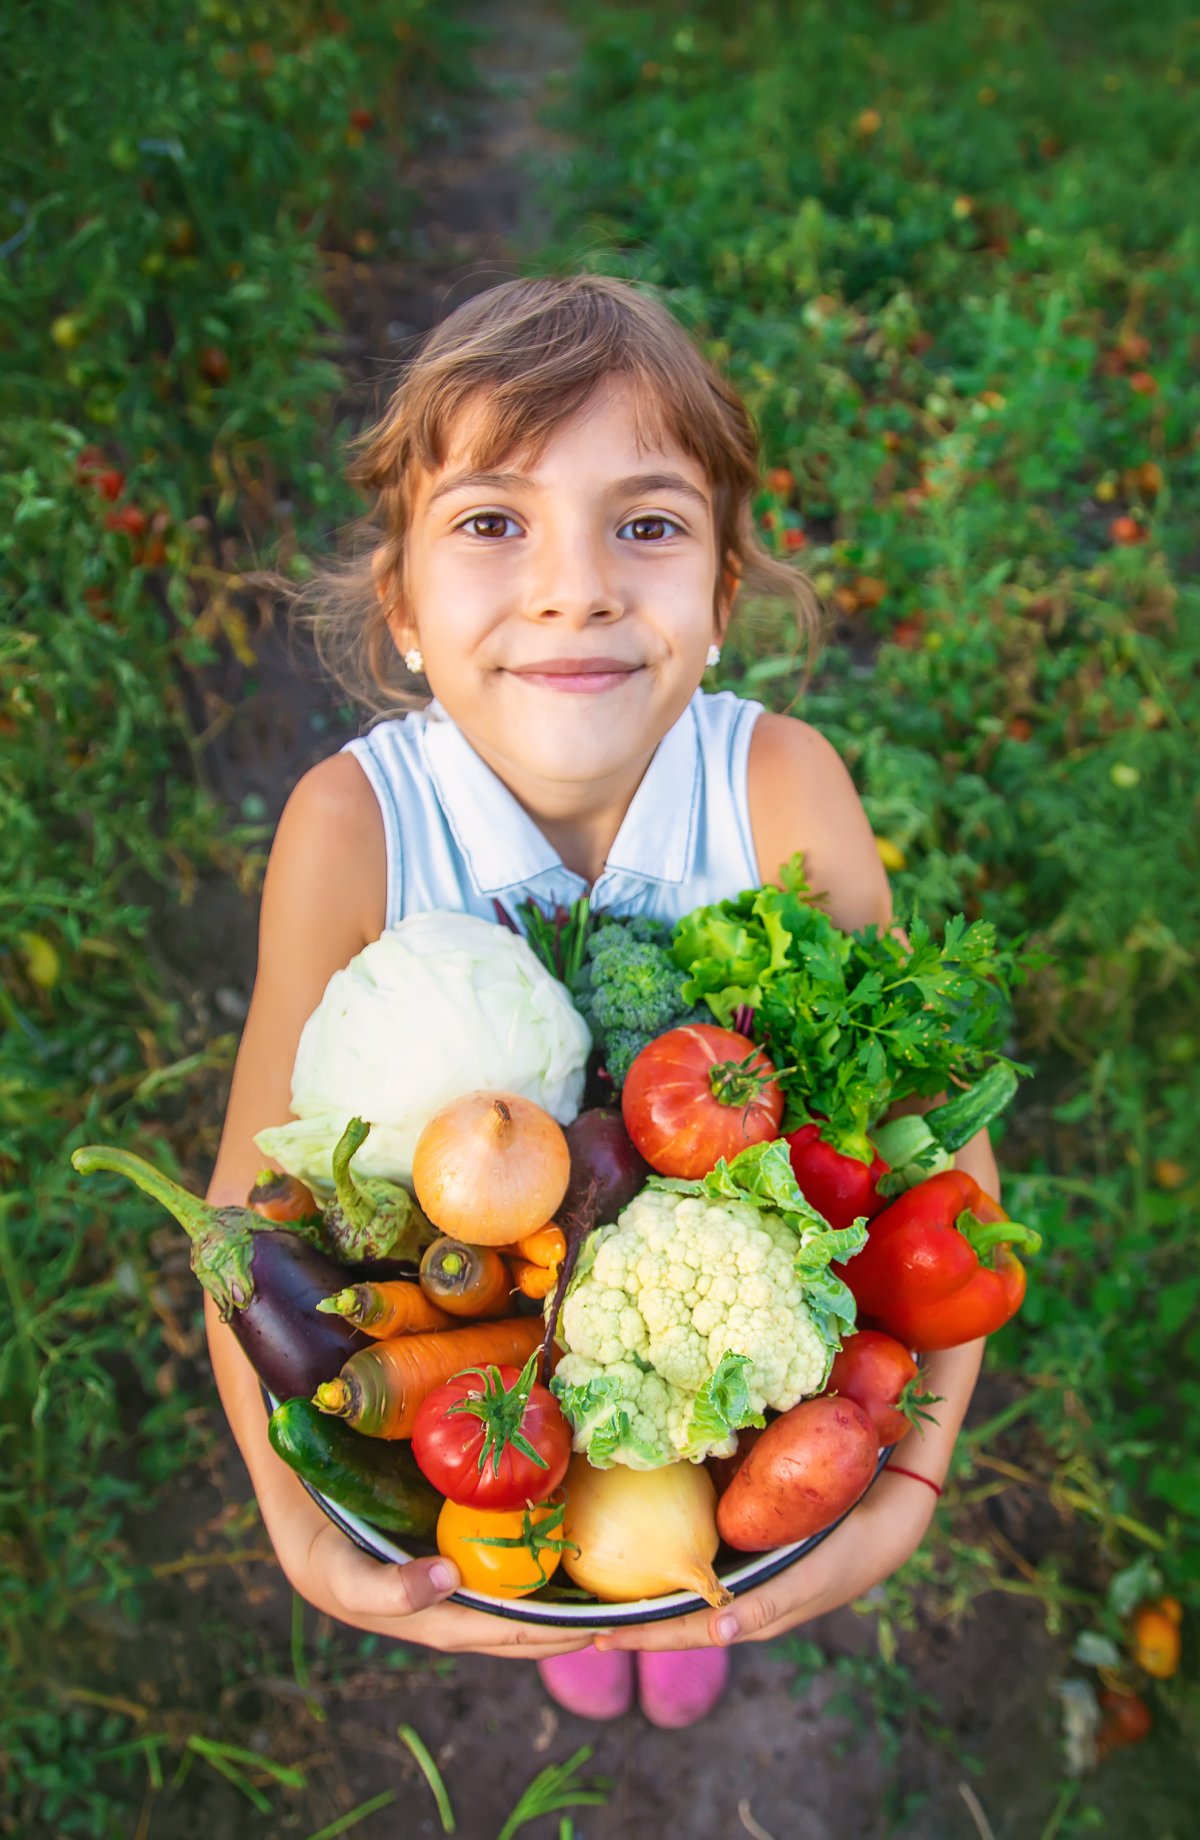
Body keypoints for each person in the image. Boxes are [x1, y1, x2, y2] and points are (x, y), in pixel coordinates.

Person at [203, 273, 1000, 1728]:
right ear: (399, 603)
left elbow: (940, 1164)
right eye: (493, 523)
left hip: (729, 1409)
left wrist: (913, 1487)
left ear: (723, 593)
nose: (576, 586)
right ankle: (590, 1600)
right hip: (484, 1391)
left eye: (646, 525)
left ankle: (668, 1582)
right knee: (558, 1561)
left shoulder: (777, 786)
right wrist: (300, 1532)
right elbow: (243, 1232)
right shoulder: (350, 825)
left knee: (677, 1553)